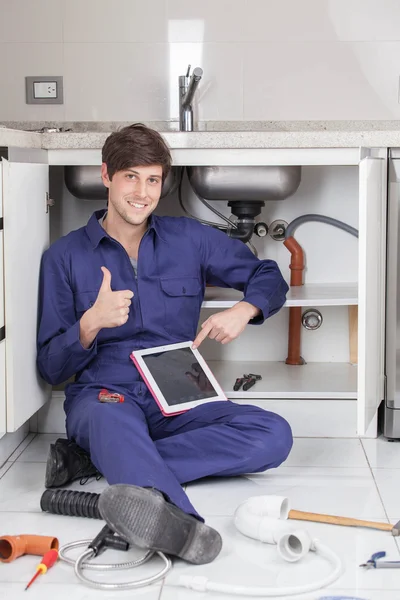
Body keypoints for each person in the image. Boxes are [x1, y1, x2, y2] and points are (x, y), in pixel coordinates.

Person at [37, 124, 293, 565]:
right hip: (106, 390)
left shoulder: (189, 239)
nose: (142, 192)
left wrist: (243, 310)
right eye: (131, 177)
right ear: (106, 176)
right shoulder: (65, 256)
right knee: (111, 424)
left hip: (180, 384)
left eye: (152, 179)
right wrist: (89, 325)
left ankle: (99, 462)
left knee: (273, 435)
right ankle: (183, 527)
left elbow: (267, 274)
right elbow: (50, 366)